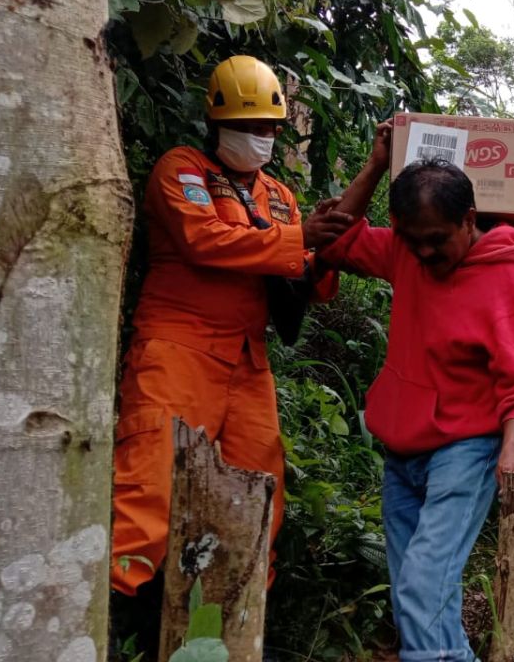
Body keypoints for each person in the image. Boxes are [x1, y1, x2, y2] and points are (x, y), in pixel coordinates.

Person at [110, 56, 352, 611]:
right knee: (150, 488)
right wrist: (298, 240)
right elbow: (204, 241)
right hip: (178, 348)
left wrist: (325, 249)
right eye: (250, 127)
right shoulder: (182, 170)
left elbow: (304, 280)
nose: (262, 138)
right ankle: (118, 617)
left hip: (248, 361)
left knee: (257, 490)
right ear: (218, 122)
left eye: (269, 128)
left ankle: (239, 621)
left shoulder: (280, 196)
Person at [319, 123, 514, 662]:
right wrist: (377, 165)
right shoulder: (406, 252)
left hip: (464, 453)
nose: (425, 253)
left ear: (469, 219)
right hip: (401, 454)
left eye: (437, 239)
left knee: (422, 589)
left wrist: (511, 458)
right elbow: (333, 239)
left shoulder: (505, 276)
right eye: (412, 239)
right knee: (420, 597)